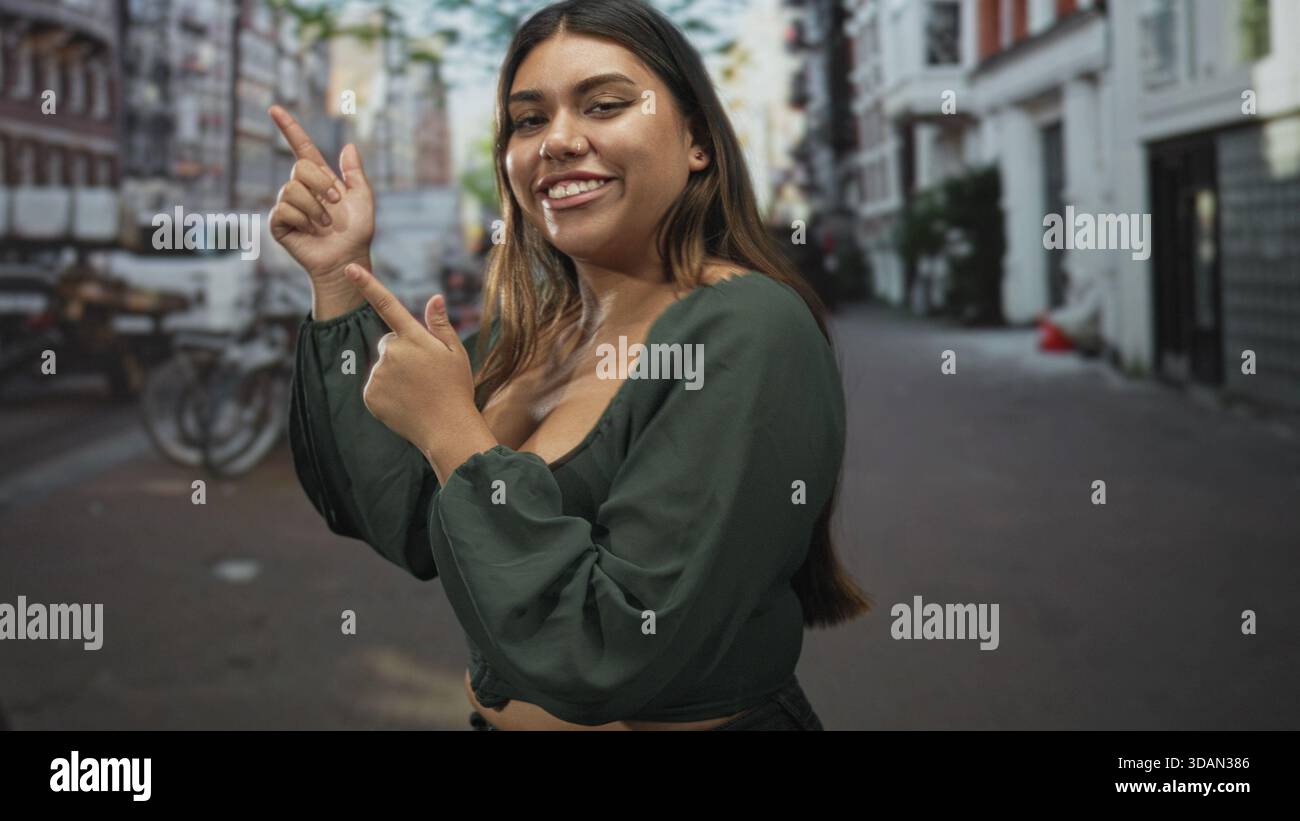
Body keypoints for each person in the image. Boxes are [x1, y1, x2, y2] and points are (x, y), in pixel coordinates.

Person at [270, 0, 869, 731]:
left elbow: (613, 647)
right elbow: (411, 520)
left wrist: (455, 433)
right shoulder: (536, 331)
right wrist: (337, 276)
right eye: (528, 120)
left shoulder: (747, 327)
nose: (557, 141)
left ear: (698, 142)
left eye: (606, 104)